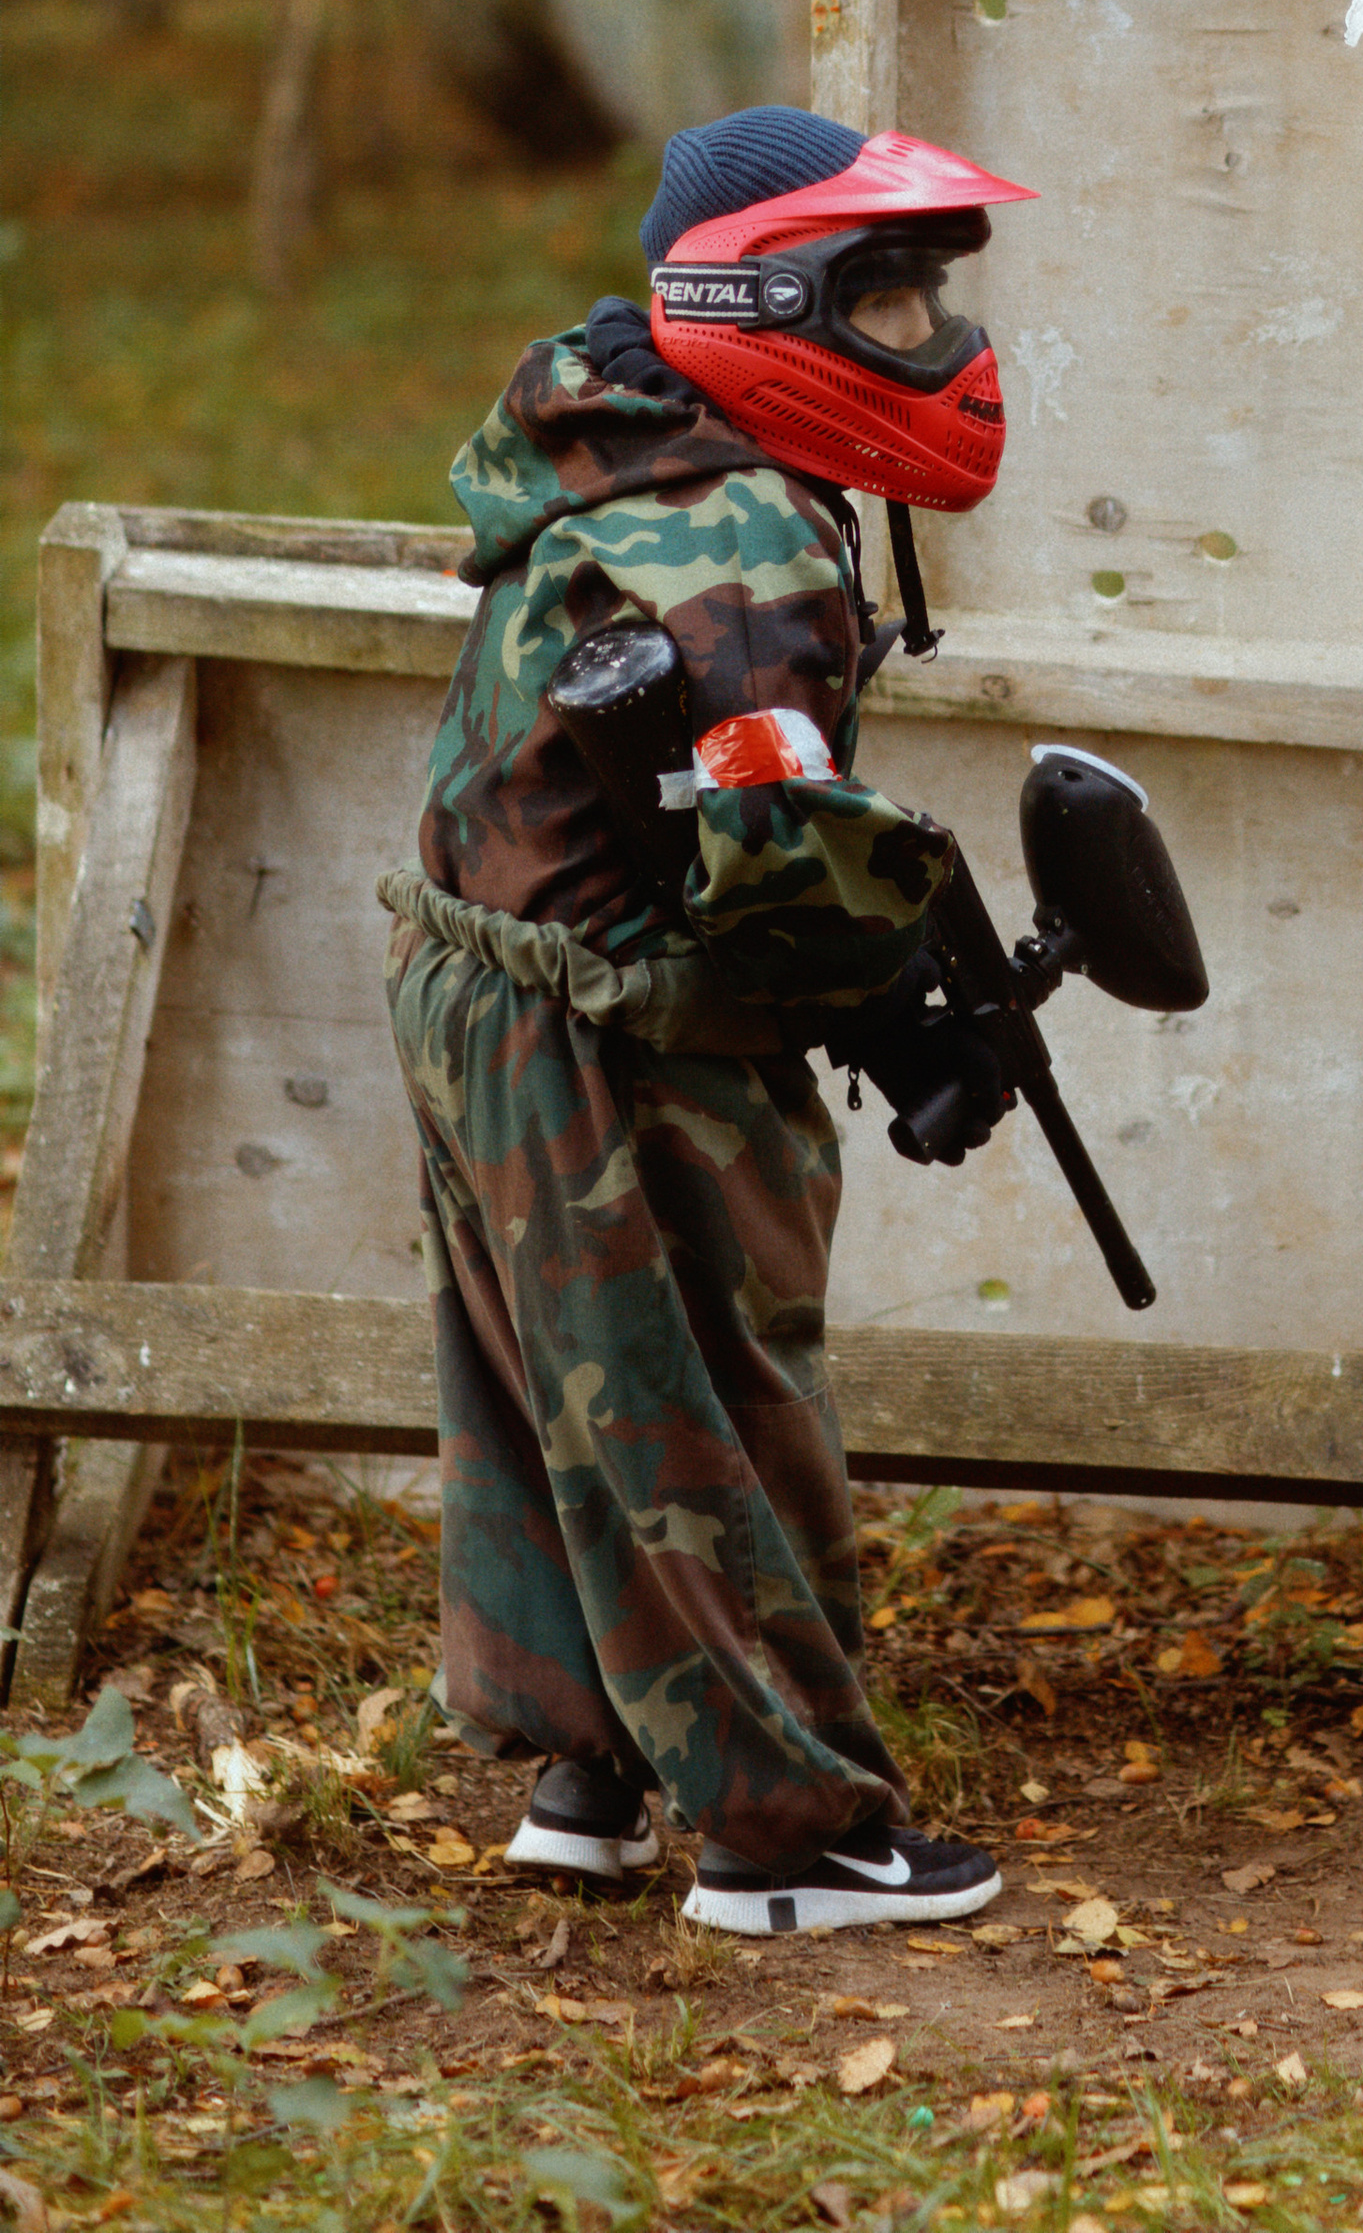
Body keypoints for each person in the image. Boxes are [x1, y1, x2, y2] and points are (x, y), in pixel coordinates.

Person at [378, 103, 1034, 1933]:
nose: (936, 346)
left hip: (483, 982)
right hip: (608, 1024)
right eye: (892, 299)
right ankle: (788, 1837)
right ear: (775, 300)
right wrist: (908, 1010)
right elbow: (762, 865)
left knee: (565, 1393)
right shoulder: (740, 536)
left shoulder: (623, 444)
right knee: (712, 1419)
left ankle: (594, 1772)